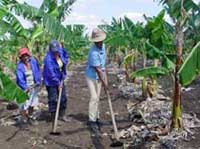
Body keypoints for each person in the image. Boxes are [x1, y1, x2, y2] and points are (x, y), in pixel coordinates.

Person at [85, 28, 108, 134]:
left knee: (98, 98)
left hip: (100, 75)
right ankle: (92, 120)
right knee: (94, 97)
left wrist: (105, 81)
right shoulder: (93, 52)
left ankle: (97, 117)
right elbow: (98, 70)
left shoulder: (103, 47)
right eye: (97, 41)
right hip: (91, 76)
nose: (99, 43)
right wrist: (104, 83)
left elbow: (103, 67)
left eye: (100, 41)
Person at [43, 40, 70, 122]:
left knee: (63, 97)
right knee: (53, 99)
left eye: (57, 51)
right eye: (53, 51)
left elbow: (66, 56)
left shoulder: (60, 53)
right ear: (50, 50)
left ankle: (62, 114)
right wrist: (58, 84)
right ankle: (53, 116)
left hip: (60, 78)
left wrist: (63, 47)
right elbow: (51, 74)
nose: (55, 53)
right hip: (51, 81)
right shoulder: (48, 59)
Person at [16, 47, 41, 125]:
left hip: (33, 86)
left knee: (32, 102)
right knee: (24, 104)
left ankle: (30, 117)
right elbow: (20, 79)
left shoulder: (33, 62)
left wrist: (38, 81)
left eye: (26, 55)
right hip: (24, 88)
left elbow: (37, 71)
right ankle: (23, 120)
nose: (25, 57)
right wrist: (25, 87)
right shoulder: (19, 67)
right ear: (21, 57)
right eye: (23, 56)